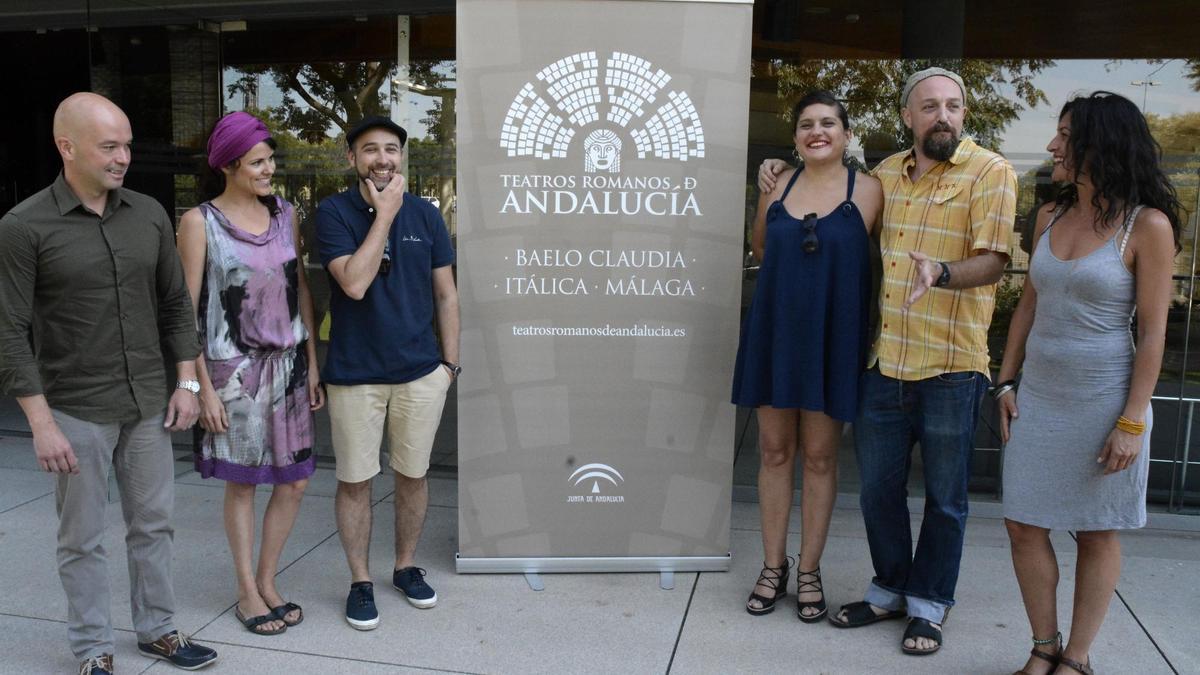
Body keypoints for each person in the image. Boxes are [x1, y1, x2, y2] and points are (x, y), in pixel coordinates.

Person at [760, 66, 1017, 655]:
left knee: (946, 498)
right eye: (929, 107)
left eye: (953, 105)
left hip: (951, 363)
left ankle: (928, 605)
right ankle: (890, 588)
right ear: (908, 117)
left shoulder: (990, 171)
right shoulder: (883, 177)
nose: (943, 116)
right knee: (878, 491)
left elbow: (996, 260)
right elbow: (821, 195)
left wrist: (944, 272)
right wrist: (771, 171)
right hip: (885, 360)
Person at [0, 92, 218, 674]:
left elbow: (175, 306)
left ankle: (158, 630)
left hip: (149, 401)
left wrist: (187, 386)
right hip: (74, 408)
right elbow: (10, 332)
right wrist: (41, 426)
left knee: (153, 524)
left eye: (126, 145)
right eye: (109, 146)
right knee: (82, 538)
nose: (123, 157)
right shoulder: (23, 227)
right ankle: (93, 649)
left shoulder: (147, 213)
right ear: (66, 147)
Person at [996, 92, 1178, 675]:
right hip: (1041, 398)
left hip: (1106, 403)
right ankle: (1043, 645)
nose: (1053, 145)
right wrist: (1004, 383)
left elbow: (1153, 334)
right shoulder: (1048, 216)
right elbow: (1027, 305)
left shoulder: (1146, 226)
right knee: (1023, 522)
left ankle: (1075, 659)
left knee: (1096, 534)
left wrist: (1132, 422)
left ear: (1102, 144)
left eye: (1066, 134)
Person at [732, 91, 882, 621]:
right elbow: (760, 249)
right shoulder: (776, 184)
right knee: (774, 453)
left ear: (845, 134)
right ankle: (773, 566)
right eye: (805, 125)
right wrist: (762, 191)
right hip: (775, 334)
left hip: (833, 340)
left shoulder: (871, 191)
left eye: (827, 123)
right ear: (795, 136)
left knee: (820, 458)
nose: (816, 132)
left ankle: (811, 569)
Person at [176, 111, 325, 636]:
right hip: (230, 373)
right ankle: (245, 590)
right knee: (242, 485)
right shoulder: (200, 223)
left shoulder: (285, 214)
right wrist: (199, 387)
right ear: (229, 165)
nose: (270, 169)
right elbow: (185, 312)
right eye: (259, 161)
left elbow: (299, 288)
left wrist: (311, 364)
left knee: (296, 481)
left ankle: (267, 579)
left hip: (287, 368)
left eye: (270, 159)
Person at [315, 115, 459, 631]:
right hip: (356, 374)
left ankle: (404, 566)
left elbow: (446, 293)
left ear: (403, 157)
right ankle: (360, 580)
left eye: (392, 149)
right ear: (352, 158)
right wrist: (384, 214)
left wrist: (449, 366)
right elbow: (353, 284)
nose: (383, 158)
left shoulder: (427, 215)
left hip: (421, 372)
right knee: (355, 480)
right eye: (370, 149)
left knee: (413, 476)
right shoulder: (332, 212)